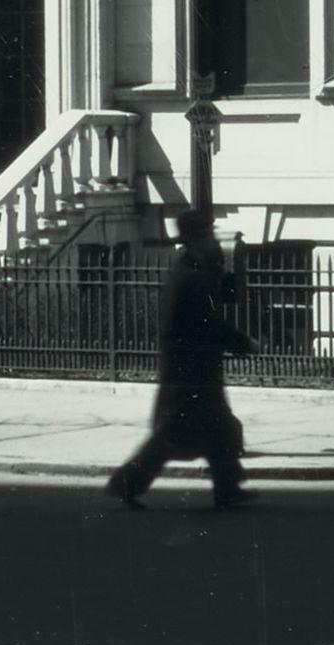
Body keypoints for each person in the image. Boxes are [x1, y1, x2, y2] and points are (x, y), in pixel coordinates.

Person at [106, 214, 251, 510]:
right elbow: (208, 322)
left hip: (192, 368)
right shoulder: (191, 275)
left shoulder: (192, 268)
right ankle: (125, 483)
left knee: (218, 429)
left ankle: (228, 487)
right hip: (188, 371)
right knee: (173, 436)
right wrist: (243, 343)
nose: (213, 239)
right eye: (208, 233)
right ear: (197, 239)